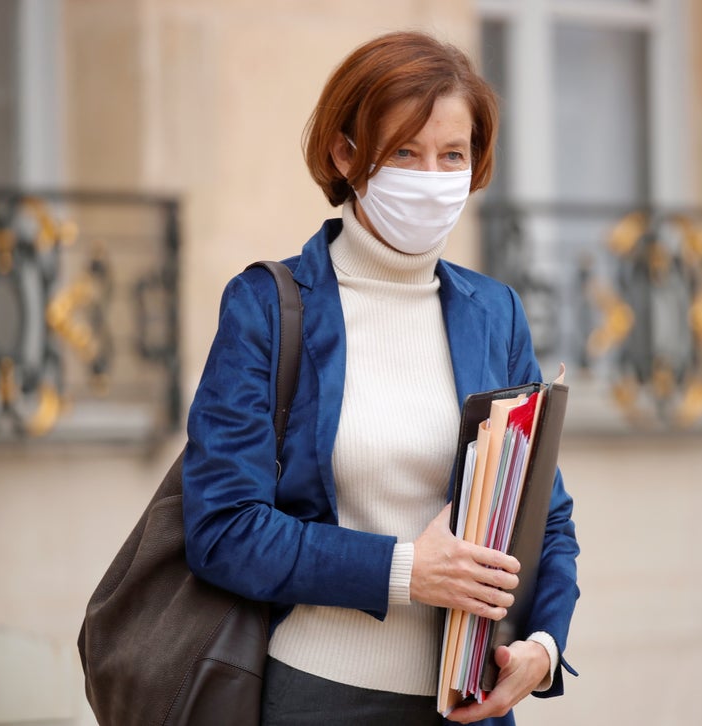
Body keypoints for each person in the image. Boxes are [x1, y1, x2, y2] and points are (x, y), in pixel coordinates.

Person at [182, 30, 579, 726]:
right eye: (403, 152)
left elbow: (545, 517)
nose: (431, 178)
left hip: (470, 707)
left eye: (452, 155)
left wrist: (543, 646)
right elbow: (224, 529)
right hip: (317, 700)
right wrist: (403, 571)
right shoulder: (269, 308)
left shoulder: (495, 312)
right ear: (346, 154)